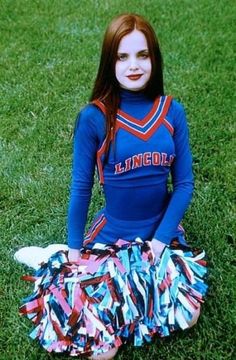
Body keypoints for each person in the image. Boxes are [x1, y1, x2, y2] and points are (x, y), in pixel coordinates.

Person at [19, 13, 207, 360]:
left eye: (142, 55)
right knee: (101, 346)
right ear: (110, 61)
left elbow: (183, 184)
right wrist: (75, 252)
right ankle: (53, 255)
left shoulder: (171, 112)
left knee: (187, 315)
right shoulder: (95, 117)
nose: (133, 65)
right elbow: (81, 188)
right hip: (113, 235)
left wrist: (160, 241)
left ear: (154, 59)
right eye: (122, 57)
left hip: (161, 235)